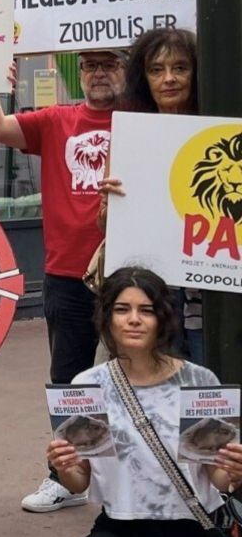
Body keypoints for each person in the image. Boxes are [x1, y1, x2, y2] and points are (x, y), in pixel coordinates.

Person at [52, 267, 242, 537]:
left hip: (195, 532)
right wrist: (65, 465)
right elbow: (80, 482)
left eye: (146, 310)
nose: (134, 319)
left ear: (163, 319)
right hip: (124, 529)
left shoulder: (200, 382)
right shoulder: (87, 386)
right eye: (122, 309)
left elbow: (217, 476)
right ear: (107, 318)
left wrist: (233, 469)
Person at [0, 48, 124, 513]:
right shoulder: (55, 120)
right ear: (80, 74)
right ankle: (68, 479)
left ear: (125, 70)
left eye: (109, 64)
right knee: (70, 379)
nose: (99, 73)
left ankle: (135, 481)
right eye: (90, 65)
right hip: (67, 271)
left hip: (133, 273)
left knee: (138, 378)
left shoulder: (147, 123)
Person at [105, 27, 202, 363]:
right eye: (156, 70)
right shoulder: (129, 138)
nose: (169, 79)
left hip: (209, 297)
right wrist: (111, 202)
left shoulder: (222, 135)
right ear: (143, 78)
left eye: (180, 68)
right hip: (151, 296)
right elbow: (105, 224)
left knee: (214, 393)